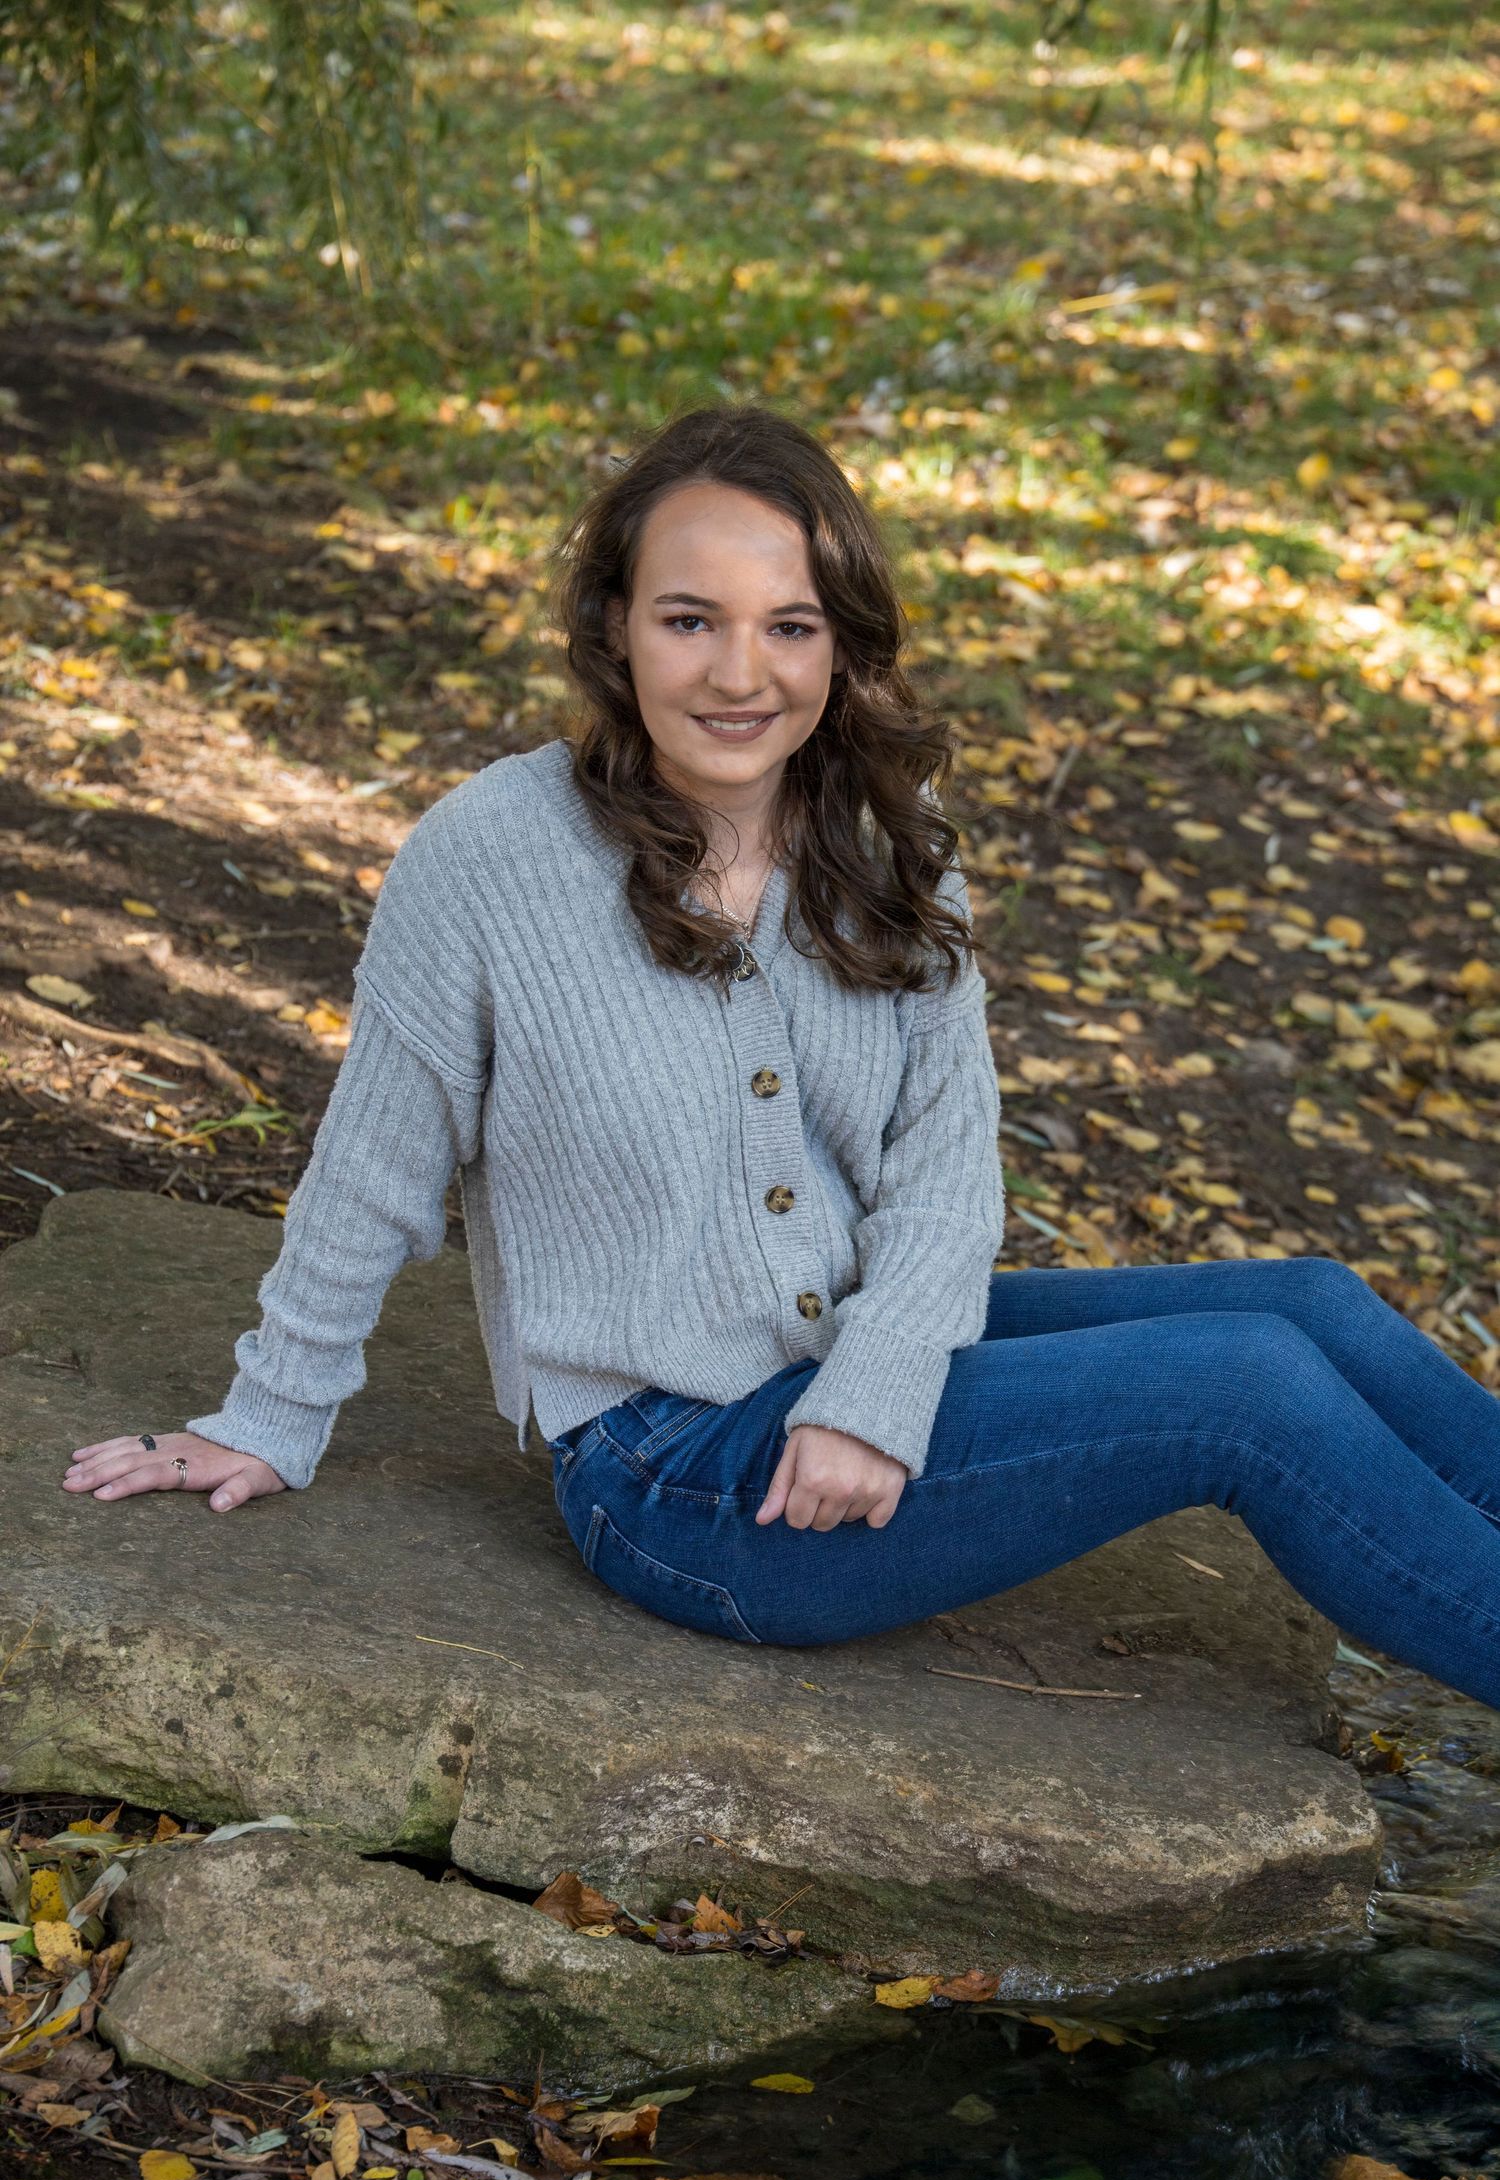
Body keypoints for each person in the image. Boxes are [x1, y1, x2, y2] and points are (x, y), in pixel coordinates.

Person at [63, 401, 1500, 1706]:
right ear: (614, 627)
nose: (741, 674)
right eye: (691, 620)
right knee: (1245, 1392)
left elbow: (948, 1179)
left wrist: (872, 1391)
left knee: (1306, 1301)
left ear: (843, 641)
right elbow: (377, 1163)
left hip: (838, 1358)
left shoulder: (888, 848)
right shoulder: (490, 857)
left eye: (791, 626)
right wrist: (269, 1415)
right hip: (679, 1476)